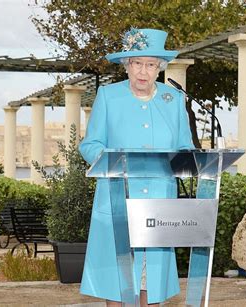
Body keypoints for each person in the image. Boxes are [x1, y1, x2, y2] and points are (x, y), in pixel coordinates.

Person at [79, 28, 194, 306]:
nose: (143, 71)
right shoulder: (108, 96)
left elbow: (185, 147)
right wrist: (110, 158)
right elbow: (90, 144)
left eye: (151, 64)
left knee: (150, 281)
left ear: (159, 68)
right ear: (127, 65)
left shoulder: (174, 99)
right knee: (117, 280)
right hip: (118, 197)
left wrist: (186, 159)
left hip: (158, 202)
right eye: (137, 63)